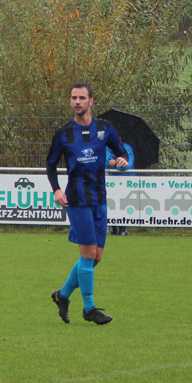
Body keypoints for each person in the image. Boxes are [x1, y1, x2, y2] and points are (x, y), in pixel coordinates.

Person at [47, 83, 128, 325]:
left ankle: (62, 295)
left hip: (99, 199)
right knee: (88, 254)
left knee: (96, 257)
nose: (77, 101)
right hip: (77, 200)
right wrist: (57, 190)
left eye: (82, 97)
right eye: (73, 97)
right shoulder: (63, 133)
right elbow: (50, 165)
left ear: (91, 101)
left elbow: (120, 152)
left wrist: (119, 161)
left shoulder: (105, 129)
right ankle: (89, 308)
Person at [105, 137, 134, 236]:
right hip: (112, 182)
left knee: (122, 205)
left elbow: (128, 165)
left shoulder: (127, 148)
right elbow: (104, 162)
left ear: (120, 138)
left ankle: (123, 228)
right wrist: (111, 155)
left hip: (125, 182)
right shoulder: (107, 148)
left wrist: (115, 164)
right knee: (112, 204)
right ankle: (113, 228)